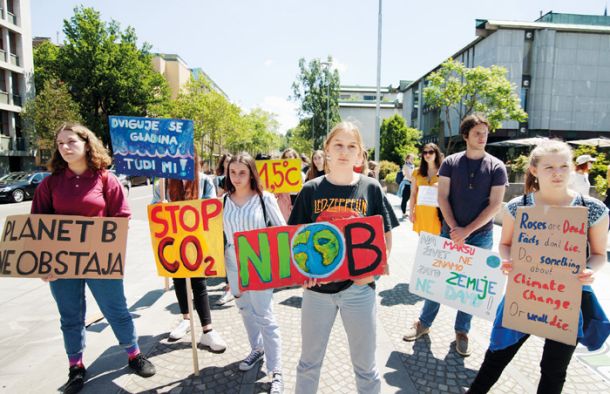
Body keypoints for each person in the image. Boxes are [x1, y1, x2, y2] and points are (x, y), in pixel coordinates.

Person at [467, 140, 610, 393]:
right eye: (549, 167)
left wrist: (590, 270)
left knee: (554, 371)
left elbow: (599, 254)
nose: (558, 173)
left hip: (568, 301)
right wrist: (507, 260)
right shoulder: (517, 206)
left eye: (564, 166)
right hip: (523, 294)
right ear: (534, 170)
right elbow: (505, 244)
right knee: (496, 357)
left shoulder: (592, 209)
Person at [31, 123, 156, 394]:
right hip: (62, 263)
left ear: (87, 144)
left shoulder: (105, 179)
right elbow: (37, 222)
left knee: (116, 310)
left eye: (71, 141)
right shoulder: (50, 183)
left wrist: (111, 250)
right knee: (70, 315)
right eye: (60, 143)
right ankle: (75, 366)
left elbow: (121, 216)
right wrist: (42, 262)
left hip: (101, 259)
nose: (65, 147)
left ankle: (134, 355)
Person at [289, 122, 399, 394]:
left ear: (360, 155)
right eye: (338, 144)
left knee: (366, 367)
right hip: (317, 292)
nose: (344, 151)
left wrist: (372, 274)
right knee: (308, 363)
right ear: (326, 149)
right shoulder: (310, 190)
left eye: (352, 146)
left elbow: (385, 238)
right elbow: (293, 241)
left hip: (359, 291)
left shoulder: (371, 188)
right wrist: (301, 273)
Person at [403, 114, 507, 357]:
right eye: (477, 133)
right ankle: (424, 324)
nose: (483, 137)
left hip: (481, 235)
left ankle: (462, 331)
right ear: (465, 136)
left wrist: (467, 231)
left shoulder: (497, 166)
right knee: (437, 280)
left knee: (470, 289)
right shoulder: (450, 162)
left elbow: (495, 205)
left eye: (485, 133)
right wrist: (453, 228)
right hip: (448, 230)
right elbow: (443, 197)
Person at [223, 153, 286, 394]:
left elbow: (281, 231)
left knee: (265, 316)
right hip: (233, 262)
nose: (237, 178)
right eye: (232, 172)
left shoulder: (264, 198)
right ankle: (257, 348)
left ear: (251, 173)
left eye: (242, 172)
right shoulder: (223, 202)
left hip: (260, 263)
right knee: (244, 309)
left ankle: (276, 369)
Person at [164, 158, 227, 353]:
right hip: (174, 240)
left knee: (199, 282)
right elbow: (154, 208)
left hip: (197, 240)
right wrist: (162, 206)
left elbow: (210, 208)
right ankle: (185, 320)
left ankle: (207, 330)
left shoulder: (204, 180)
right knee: (179, 280)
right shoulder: (165, 182)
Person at [408, 143, 444, 235]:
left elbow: (452, 189)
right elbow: (413, 193)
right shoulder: (417, 172)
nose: (427, 155)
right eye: (425, 152)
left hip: (438, 212)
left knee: (438, 243)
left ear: (436, 154)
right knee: (424, 244)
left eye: (431, 152)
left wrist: (440, 185)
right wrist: (411, 212)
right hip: (421, 212)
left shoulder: (444, 170)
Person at [213, 153, 234, 305]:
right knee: (227, 253)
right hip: (224, 220)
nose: (228, 164)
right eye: (226, 162)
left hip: (237, 220)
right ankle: (229, 287)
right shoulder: (221, 180)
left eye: (230, 161)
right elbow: (218, 199)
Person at [276, 148, 301, 221]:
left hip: (297, 209)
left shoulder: (301, 175)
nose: (288, 159)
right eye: (286, 157)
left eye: (290, 157)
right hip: (283, 209)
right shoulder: (278, 175)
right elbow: (275, 194)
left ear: (295, 158)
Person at [399, 154, 415, 219]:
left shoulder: (413, 166)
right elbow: (408, 176)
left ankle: (412, 212)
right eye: (411, 158)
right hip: (407, 184)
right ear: (407, 159)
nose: (412, 160)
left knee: (412, 198)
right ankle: (403, 213)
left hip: (412, 183)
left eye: (413, 159)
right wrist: (414, 181)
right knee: (405, 199)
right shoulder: (405, 166)